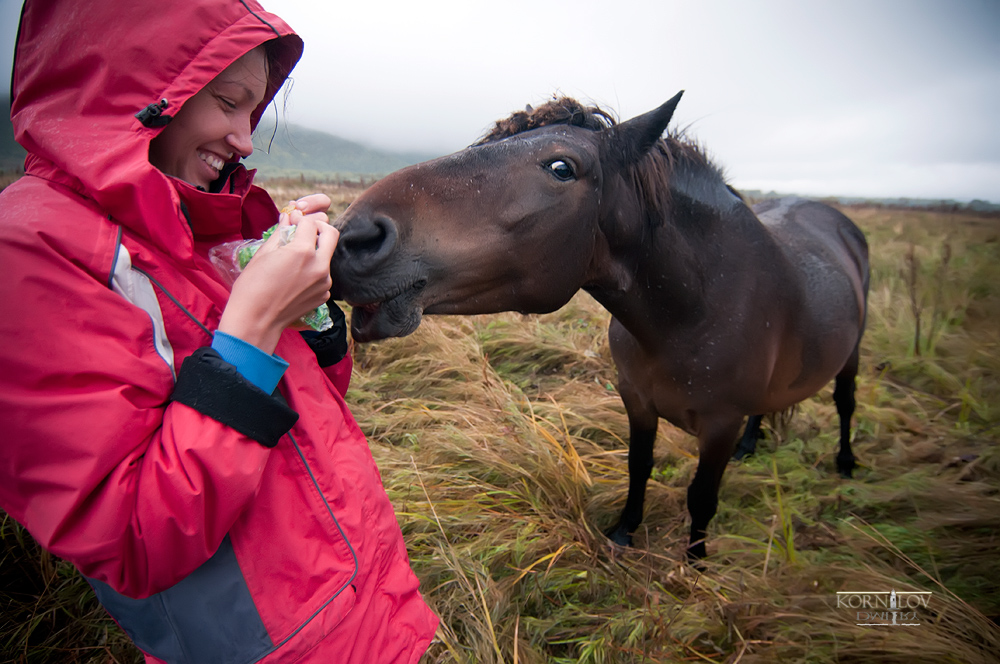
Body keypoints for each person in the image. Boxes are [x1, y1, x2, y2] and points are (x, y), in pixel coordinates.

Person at [0, 1, 438, 662]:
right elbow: (131, 537)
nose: (242, 138)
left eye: (251, 111)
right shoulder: (28, 246)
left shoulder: (196, 222)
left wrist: (310, 316)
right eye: (229, 102)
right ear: (137, 90)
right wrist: (255, 320)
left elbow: (304, 411)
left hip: (368, 608)